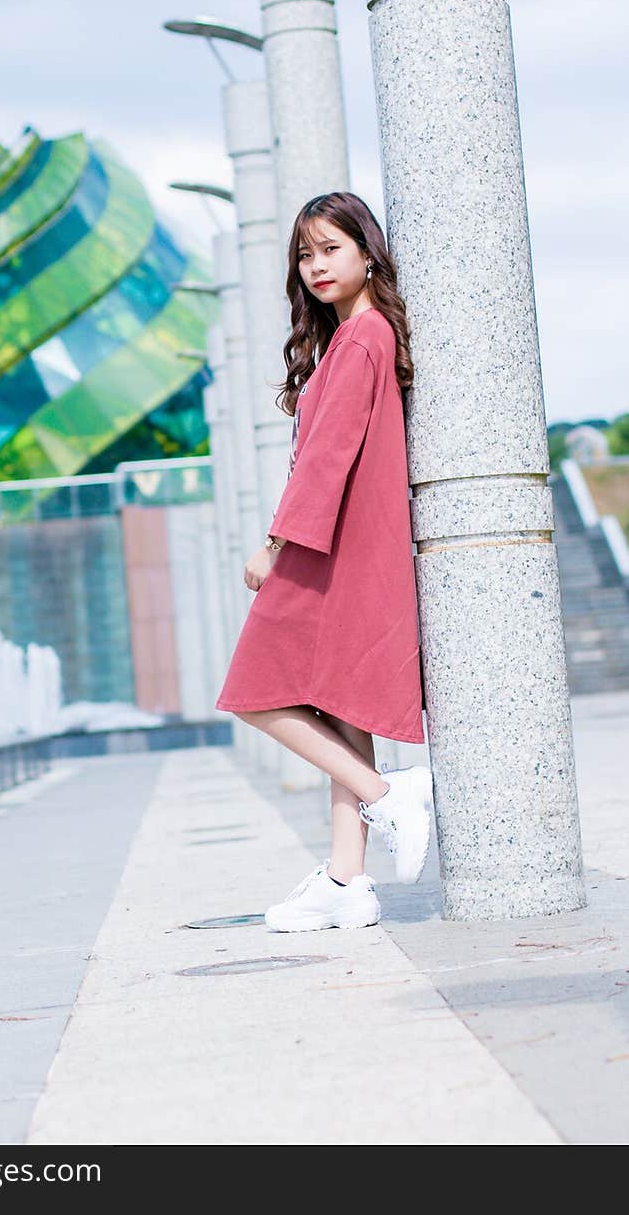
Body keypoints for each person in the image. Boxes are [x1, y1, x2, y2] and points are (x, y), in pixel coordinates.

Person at [214, 191, 433, 932]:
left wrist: (275, 545)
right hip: (345, 544)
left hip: (330, 546)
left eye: (330, 248)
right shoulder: (353, 340)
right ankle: (347, 879)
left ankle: (386, 793)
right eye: (304, 255)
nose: (315, 266)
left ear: (367, 251)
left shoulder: (364, 338)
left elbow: (329, 457)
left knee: (255, 691)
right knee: (342, 706)